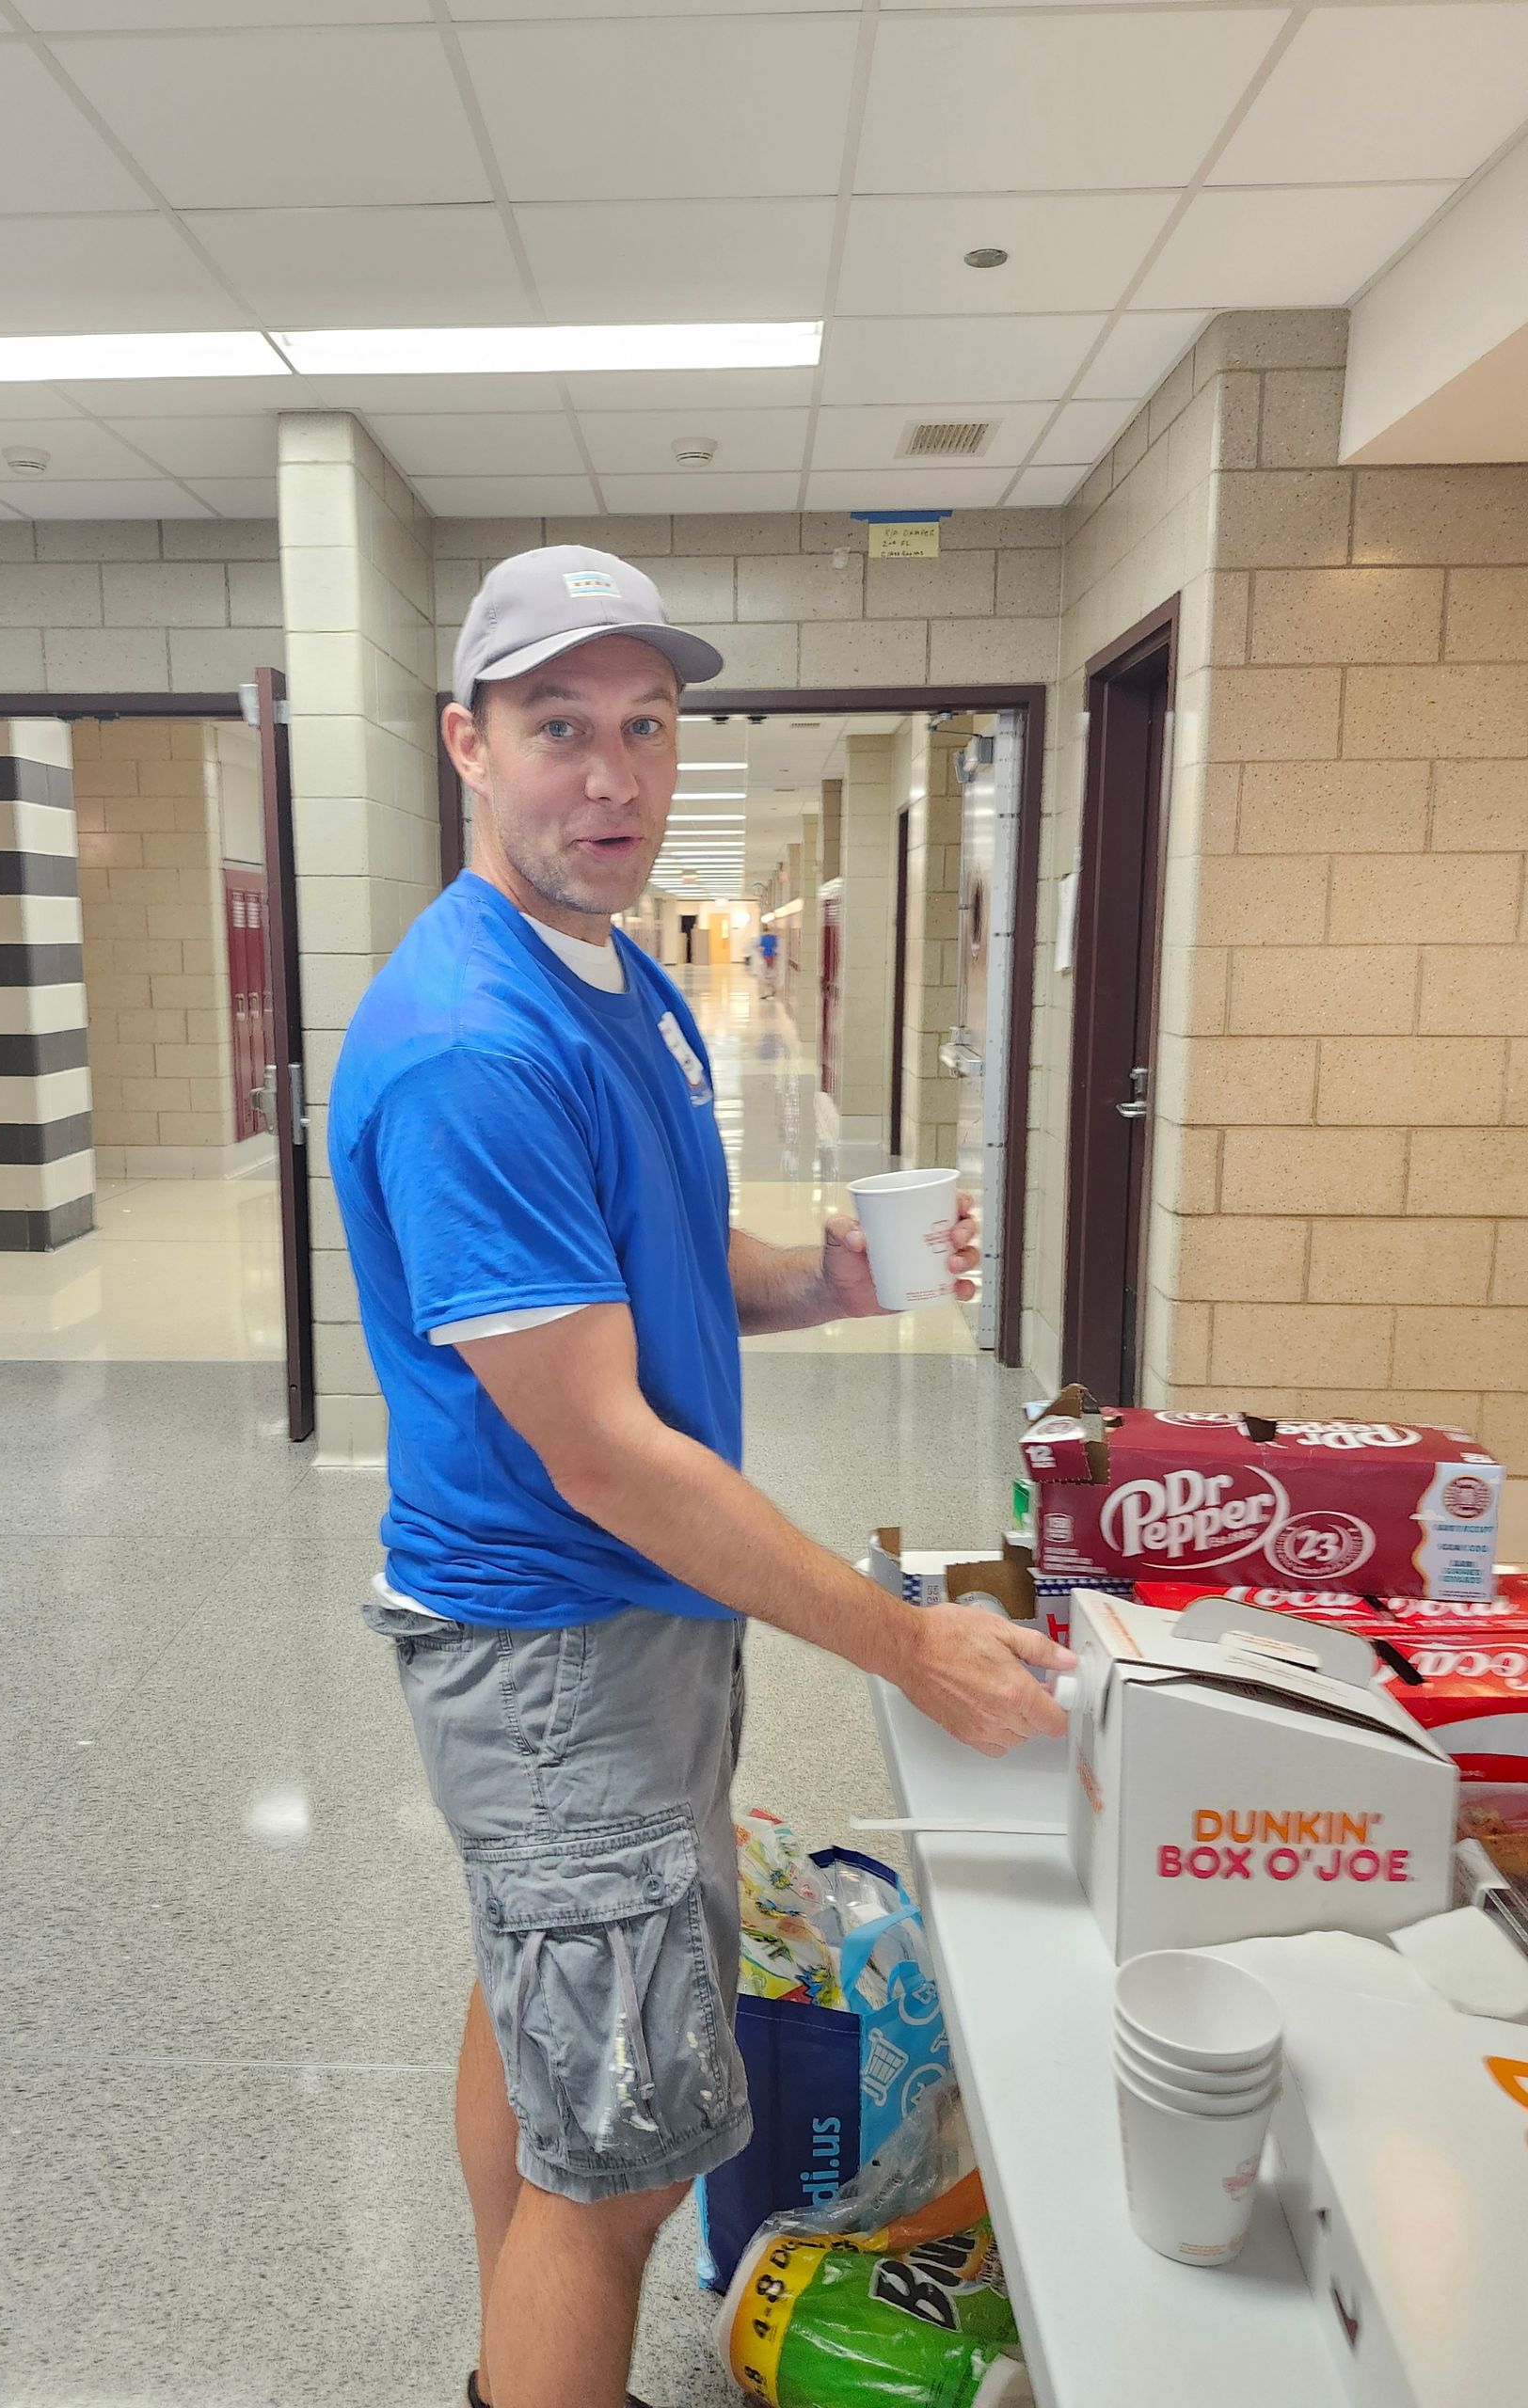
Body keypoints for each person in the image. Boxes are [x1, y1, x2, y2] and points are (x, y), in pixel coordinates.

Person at [327, 547, 1074, 2408]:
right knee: (631, 2155)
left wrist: (806, 1281)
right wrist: (906, 1642)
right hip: (559, 1641)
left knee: (547, 2000)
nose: (612, 774)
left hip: (624, 1628)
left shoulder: (611, 969)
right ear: (468, 746)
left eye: (645, 726)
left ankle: (527, 2329)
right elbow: (603, 1453)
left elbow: (646, 1259)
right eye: (558, 727)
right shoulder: (471, 1043)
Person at [756, 925, 779, 998]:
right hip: (772, 957)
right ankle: (773, 989)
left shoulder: (763, 938)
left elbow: (761, 948)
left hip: (766, 957)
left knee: (765, 975)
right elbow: (776, 947)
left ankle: (767, 992)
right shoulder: (774, 938)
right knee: (770, 974)